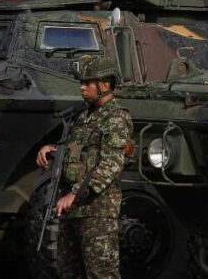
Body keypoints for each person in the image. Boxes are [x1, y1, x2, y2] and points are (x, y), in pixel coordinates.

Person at [36, 56, 132, 279]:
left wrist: (75, 193)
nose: (82, 87)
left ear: (105, 85)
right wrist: (51, 149)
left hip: (97, 210)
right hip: (72, 209)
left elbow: (110, 166)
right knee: (69, 272)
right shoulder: (83, 116)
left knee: (101, 273)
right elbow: (76, 150)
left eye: (87, 82)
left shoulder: (116, 118)